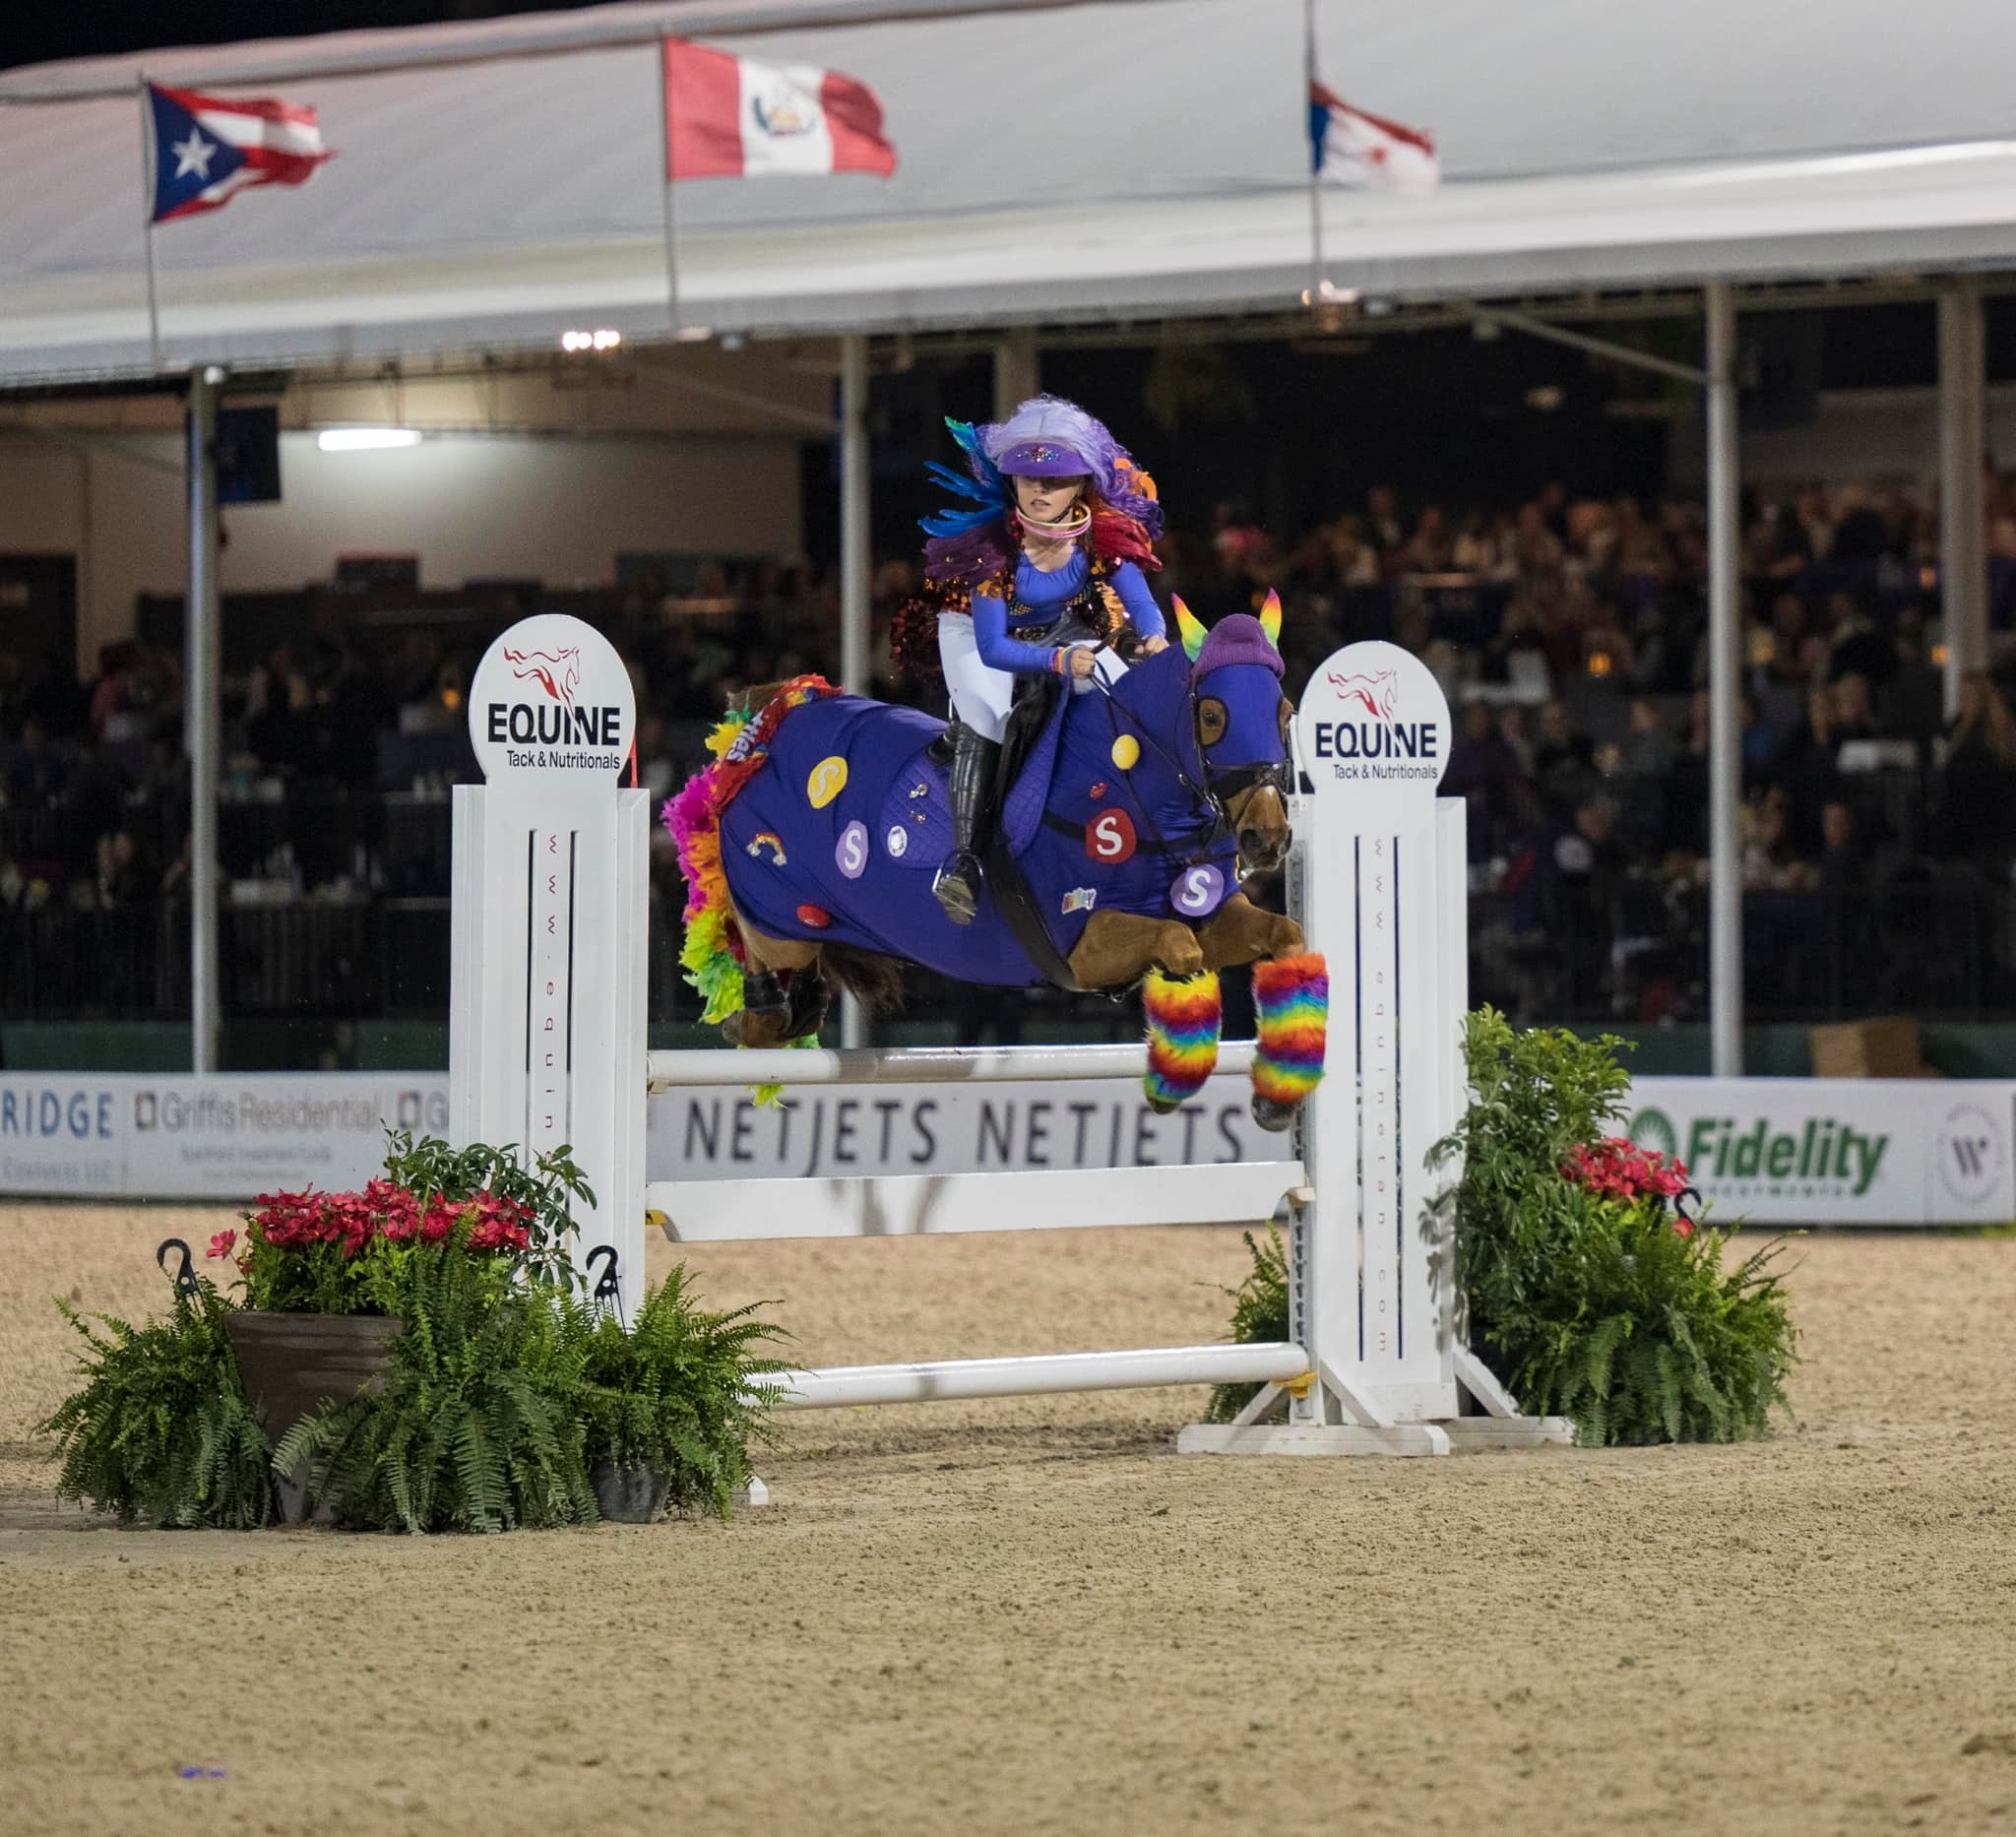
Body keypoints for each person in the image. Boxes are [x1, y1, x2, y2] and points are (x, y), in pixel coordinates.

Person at [892, 396, 1168, 924]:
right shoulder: (992, 546)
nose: (1039, 491)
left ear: (1083, 486)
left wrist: (1152, 638)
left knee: (1119, 690)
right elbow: (995, 651)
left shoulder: (1100, 535)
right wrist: (1063, 664)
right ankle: (965, 864)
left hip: (1054, 626)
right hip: (977, 636)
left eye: (1056, 480)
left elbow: (1143, 609)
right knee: (987, 718)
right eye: (1026, 478)